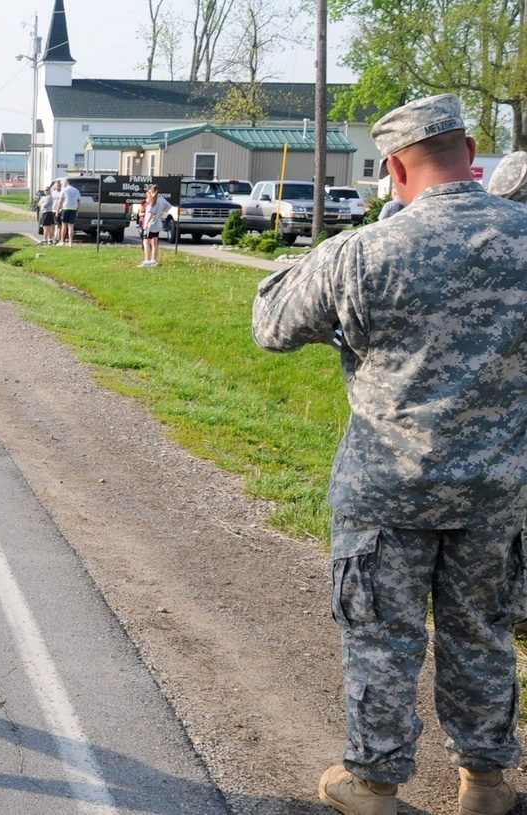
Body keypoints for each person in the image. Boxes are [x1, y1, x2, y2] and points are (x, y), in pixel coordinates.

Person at [252, 94, 527, 815]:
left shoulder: (366, 251)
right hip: (496, 488)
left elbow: (271, 322)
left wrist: (348, 252)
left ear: (394, 168)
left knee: (383, 637)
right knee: (483, 633)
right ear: (471, 155)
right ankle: (487, 783)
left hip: (389, 489)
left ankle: (374, 786)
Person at [139, 184, 170, 267]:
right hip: (158, 223)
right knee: (155, 242)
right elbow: (168, 207)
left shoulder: (152, 203)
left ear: (151, 192)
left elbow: (151, 214)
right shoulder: (161, 199)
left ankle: (147, 260)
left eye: (148, 192)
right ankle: (154, 260)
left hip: (150, 225)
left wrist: (145, 224)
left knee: (146, 242)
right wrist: (161, 212)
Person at [55, 177, 80, 246]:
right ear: (72, 184)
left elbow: (60, 200)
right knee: (71, 226)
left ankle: (62, 241)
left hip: (65, 208)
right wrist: (77, 211)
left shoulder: (64, 190)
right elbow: (78, 201)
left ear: (66, 183)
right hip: (73, 209)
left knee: (64, 225)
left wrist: (57, 210)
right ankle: (70, 242)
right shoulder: (76, 191)